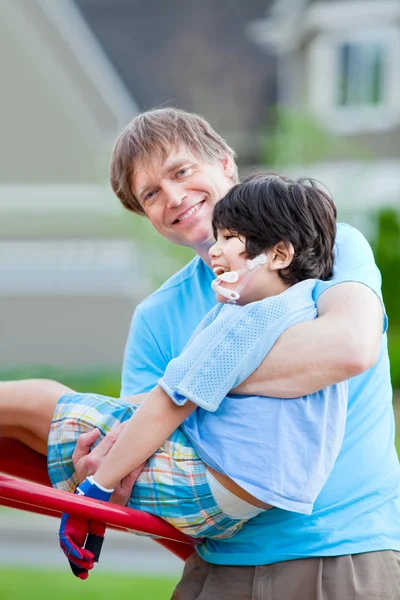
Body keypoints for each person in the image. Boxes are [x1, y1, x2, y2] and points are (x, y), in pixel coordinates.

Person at [2, 108, 399, 599]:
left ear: (226, 164)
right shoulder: (158, 314)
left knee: (36, 405)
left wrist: (196, 383)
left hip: (342, 554)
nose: (173, 197)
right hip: (219, 562)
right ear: (145, 214)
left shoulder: (323, 247)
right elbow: (147, 446)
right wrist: (106, 474)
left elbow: (349, 348)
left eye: (182, 170)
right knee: (33, 422)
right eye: (150, 193)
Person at [52, 174, 347, 570]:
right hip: (266, 494)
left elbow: (170, 401)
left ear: (277, 255)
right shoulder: (307, 307)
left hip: (214, 487)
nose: (215, 251)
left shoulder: (247, 318)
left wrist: (94, 491)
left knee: (50, 408)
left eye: (229, 238)